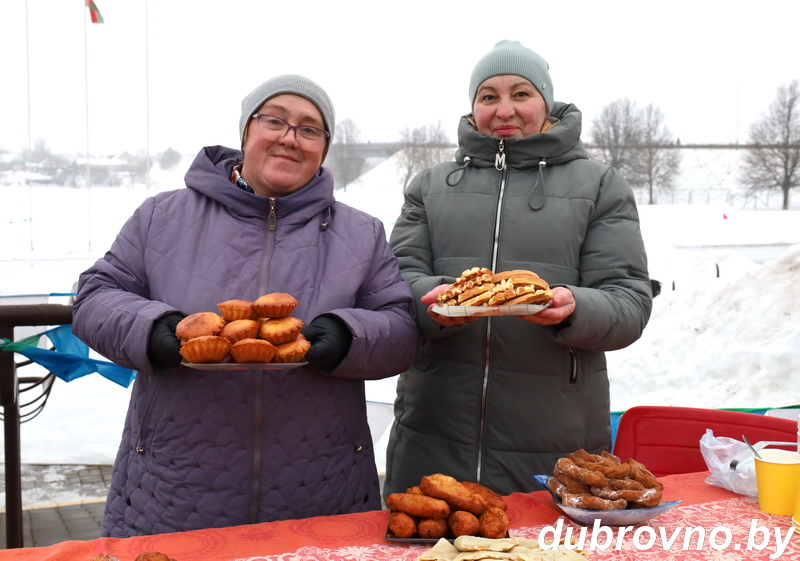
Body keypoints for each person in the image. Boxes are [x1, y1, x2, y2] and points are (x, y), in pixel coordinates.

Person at [72, 74, 419, 537]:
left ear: (325, 146)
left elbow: (400, 328)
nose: (289, 138)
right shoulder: (161, 217)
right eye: (274, 120)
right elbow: (94, 296)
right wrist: (157, 330)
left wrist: (347, 335)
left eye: (310, 128)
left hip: (320, 488)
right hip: (174, 489)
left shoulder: (361, 233)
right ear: (245, 132)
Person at [384, 40, 653, 497]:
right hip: (432, 435)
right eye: (489, 96)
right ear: (473, 108)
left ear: (545, 102)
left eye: (521, 94)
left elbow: (629, 302)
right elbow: (394, 287)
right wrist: (447, 302)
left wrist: (574, 308)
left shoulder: (601, 185)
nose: (504, 110)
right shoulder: (429, 186)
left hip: (556, 441)